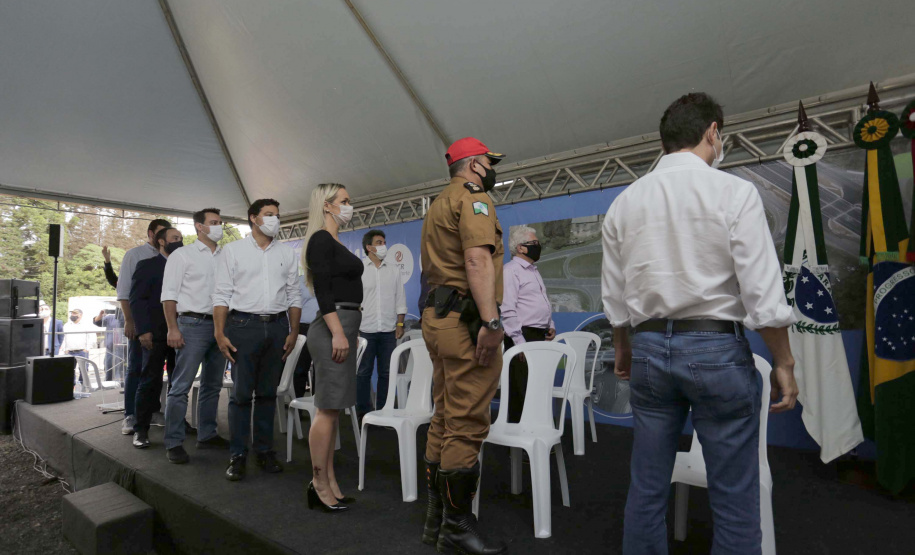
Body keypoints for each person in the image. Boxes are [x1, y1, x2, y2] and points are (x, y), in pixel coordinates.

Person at [601, 92, 799, 555]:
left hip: (647, 351)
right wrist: (784, 361)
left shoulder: (624, 203)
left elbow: (615, 297)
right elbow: (763, 296)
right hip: (716, 350)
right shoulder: (732, 192)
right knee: (733, 495)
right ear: (713, 132)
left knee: (647, 488)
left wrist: (624, 348)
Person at [420, 137, 507, 554]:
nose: (491, 169)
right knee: (466, 422)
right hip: (467, 324)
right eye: (488, 163)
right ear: (474, 166)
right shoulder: (475, 200)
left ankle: (437, 519)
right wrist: (491, 321)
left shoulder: (438, 202)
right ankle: (455, 528)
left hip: (438, 319)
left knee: (443, 415)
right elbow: (476, 260)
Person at [214, 199, 301, 482]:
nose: (275, 219)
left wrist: (293, 331)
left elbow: (294, 295)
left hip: (277, 327)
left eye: (277, 215)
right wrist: (219, 332)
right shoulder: (233, 250)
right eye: (269, 215)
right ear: (253, 218)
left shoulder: (287, 254)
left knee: (267, 394)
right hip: (242, 325)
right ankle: (238, 455)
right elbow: (222, 294)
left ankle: (264, 451)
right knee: (241, 395)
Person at [301, 183, 363, 512]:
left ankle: (330, 481)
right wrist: (338, 332)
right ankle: (318, 483)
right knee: (326, 409)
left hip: (343, 324)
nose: (349, 205)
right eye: (344, 200)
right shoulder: (321, 240)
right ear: (327, 206)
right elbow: (323, 292)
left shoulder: (334, 240)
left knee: (334, 408)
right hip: (333, 326)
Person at [160, 208, 230, 464]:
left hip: (221, 326)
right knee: (180, 387)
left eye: (220, 222)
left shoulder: (227, 256)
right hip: (191, 323)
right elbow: (169, 295)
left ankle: (208, 434)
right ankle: (174, 441)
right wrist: (172, 328)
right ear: (199, 227)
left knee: (213, 385)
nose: (219, 226)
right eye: (213, 222)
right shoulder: (182, 256)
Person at [117, 219, 173, 435]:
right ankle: (130, 414)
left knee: (157, 371)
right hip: (142, 323)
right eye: (162, 233)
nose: (165, 238)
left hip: (165, 326)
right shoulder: (134, 255)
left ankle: (153, 410)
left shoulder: (175, 258)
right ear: (152, 234)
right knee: (137, 369)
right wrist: (131, 322)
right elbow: (124, 292)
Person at [129, 227, 183, 449]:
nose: (179, 242)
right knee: (149, 381)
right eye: (175, 238)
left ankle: (177, 423)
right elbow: (137, 300)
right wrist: (143, 330)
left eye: (181, 238)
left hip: (181, 332)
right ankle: (140, 429)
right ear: (161, 241)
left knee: (178, 382)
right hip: (156, 333)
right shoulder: (148, 265)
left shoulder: (184, 265)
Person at [501, 225, 555, 423]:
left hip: (538, 336)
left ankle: (536, 436)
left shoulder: (533, 271)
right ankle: (519, 447)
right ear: (521, 248)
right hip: (522, 338)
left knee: (537, 389)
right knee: (520, 391)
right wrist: (519, 342)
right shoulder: (511, 271)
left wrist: (550, 324)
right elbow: (507, 309)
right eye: (534, 243)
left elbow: (542, 301)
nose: (538, 246)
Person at [356, 229, 407, 419]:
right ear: (369, 247)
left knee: (386, 373)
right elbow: (355, 302)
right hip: (365, 331)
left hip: (388, 331)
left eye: (384, 241)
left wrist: (400, 324)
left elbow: (400, 299)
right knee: (363, 374)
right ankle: (363, 413)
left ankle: (384, 412)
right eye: (379, 242)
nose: (383, 245)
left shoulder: (394, 270)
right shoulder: (359, 269)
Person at [293, 276, 320, 398]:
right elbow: (293, 306)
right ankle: (297, 407)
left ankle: (319, 407)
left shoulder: (329, 279)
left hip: (323, 327)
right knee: (300, 369)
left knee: (321, 370)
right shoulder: (299, 281)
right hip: (303, 328)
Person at [93, 308, 124, 381]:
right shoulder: (110, 317)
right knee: (108, 370)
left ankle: (121, 386)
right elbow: (97, 322)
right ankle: (108, 386)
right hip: (110, 350)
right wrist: (100, 314)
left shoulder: (128, 318)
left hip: (123, 350)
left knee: (120, 371)